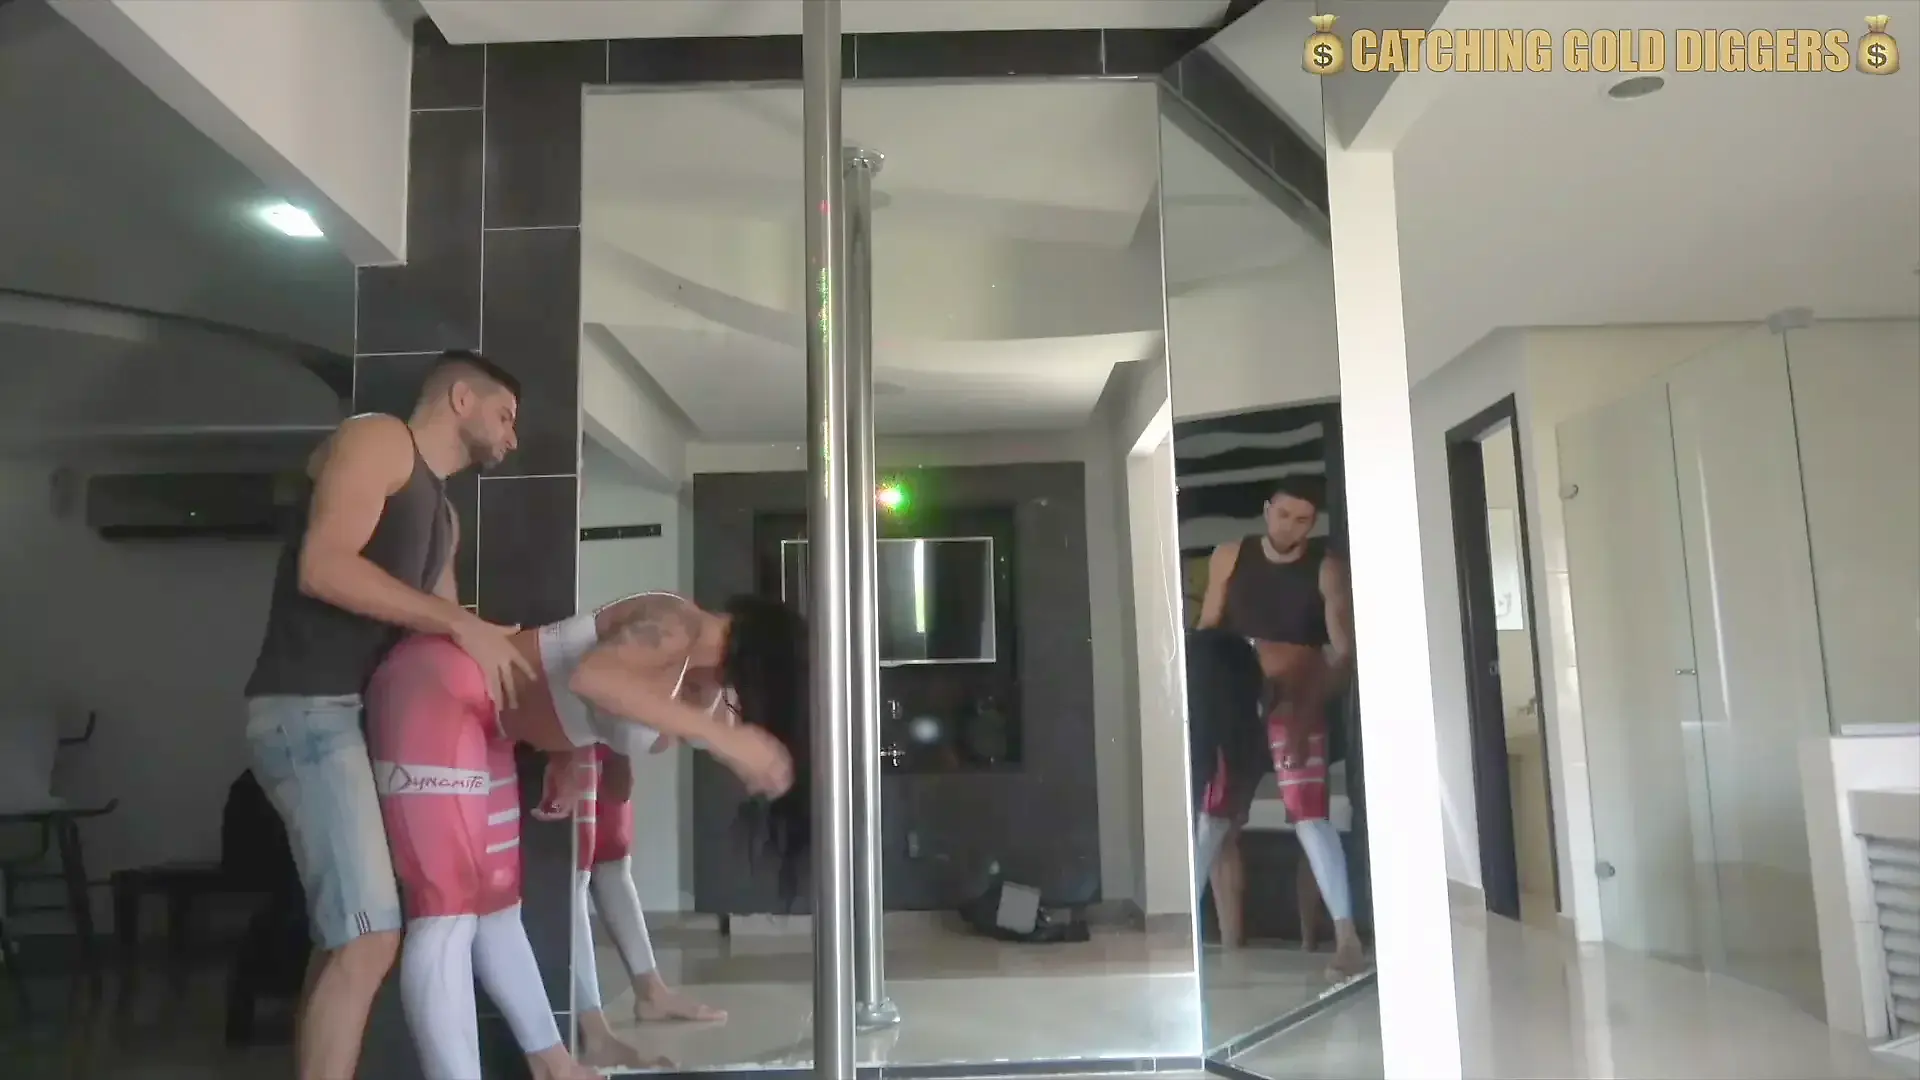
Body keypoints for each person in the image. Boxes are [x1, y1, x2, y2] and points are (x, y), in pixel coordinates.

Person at [363, 591, 801, 1080]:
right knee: (446, 911)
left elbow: (572, 689)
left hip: (493, 724)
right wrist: (724, 739)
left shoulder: (701, 681)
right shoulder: (674, 621)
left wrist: (568, 750)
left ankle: (554, 1066)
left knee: (498, 909)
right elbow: (592, 678)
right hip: (438, 686)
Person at [242, 349, 534, 1080]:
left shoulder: (444, 516)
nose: (513, 436)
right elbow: (323, 566)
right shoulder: (379, 439)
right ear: (461, 398)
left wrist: (531, 709)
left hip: (355, 722)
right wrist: (459, 623)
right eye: (505, 416)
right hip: (307, 711)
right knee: (370, 938)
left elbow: (437, 636)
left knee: (347, 938)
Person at [1193, 476, 1363, 977]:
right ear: (1268, 510)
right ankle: (1180, 930)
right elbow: (1208, 630)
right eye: (1284, 515)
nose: (1291, 526)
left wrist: (1314, 695)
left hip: (1295, 699)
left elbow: (1343, 650)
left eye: (1303, 519)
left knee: (1309, 815)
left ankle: (1346, 937)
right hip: (1234, 699)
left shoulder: (1326, 568)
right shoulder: (1230, 555)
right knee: (1212, 815)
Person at [569, 744, 726, 1069]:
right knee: (573, 873)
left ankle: (651, 991)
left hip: (604, 736)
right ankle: (595, 1031)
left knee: (612, 857)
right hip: (566, 734)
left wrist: (622, 752)